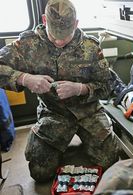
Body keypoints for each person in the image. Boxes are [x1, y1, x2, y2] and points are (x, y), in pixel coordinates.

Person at [0, 0, 120, 182]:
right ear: (44, 20)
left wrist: (81, 89)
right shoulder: (28, 45)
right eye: (54, 34)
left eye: (65, 35)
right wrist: (25, 78)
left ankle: (74, 146)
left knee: (109, 162)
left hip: (89, 112)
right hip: (54, 113)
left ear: (76, 24)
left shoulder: (91, 48)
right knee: (40, 172)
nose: (59, 41)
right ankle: (60, 146)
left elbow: (108, 86)